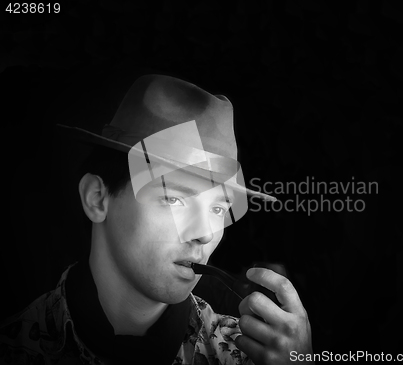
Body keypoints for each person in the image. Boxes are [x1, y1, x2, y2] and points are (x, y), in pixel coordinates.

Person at [0, 74, 313, 364]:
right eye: (174, 199)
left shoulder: (249, 355)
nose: (204, 234)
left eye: (218, 209)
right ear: (97, 198)